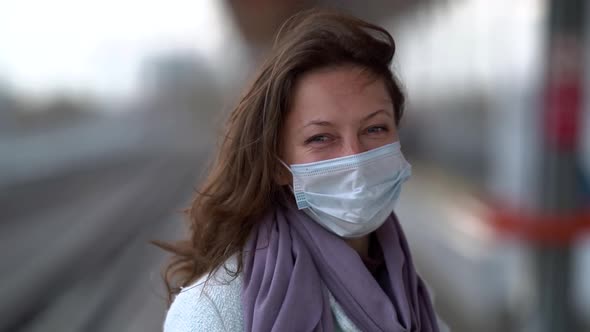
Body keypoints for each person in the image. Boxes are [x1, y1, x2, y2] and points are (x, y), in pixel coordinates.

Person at [160, 9, 445, 332]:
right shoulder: (213, 312)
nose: (354, 157)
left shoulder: (412, 292)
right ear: (279, 166)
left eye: (375, 129)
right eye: (320, 137)